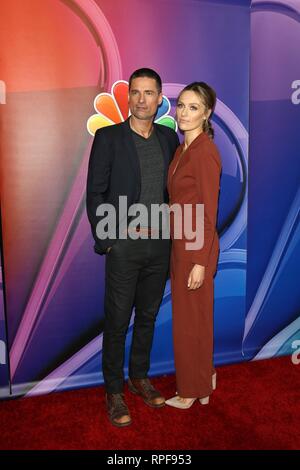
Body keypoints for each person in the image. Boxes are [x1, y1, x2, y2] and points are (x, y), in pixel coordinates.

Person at [86, 68, 179, 426]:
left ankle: (139, 377)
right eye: (136, 92)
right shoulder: (109, 137)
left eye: (149, 93)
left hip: (159, 246)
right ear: (129, 98)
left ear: (159, 99)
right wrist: (109, 242)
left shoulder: (170, 139)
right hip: (124, 246)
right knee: (117, 321)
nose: (142, 99)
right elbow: (95, 193)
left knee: (149, 317)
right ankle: (113, 391)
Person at [166, 82, 221, 409]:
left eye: (193, 107)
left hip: (195, 249)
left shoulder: (205, 152)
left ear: (207, 113)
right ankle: (204, 380)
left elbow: (208, 212)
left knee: (190, 323)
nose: (184, 113)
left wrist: (200, 261)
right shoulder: (181, 149)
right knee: (196, 319)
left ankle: (189, 391)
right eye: (181, 105)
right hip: (181, 245)